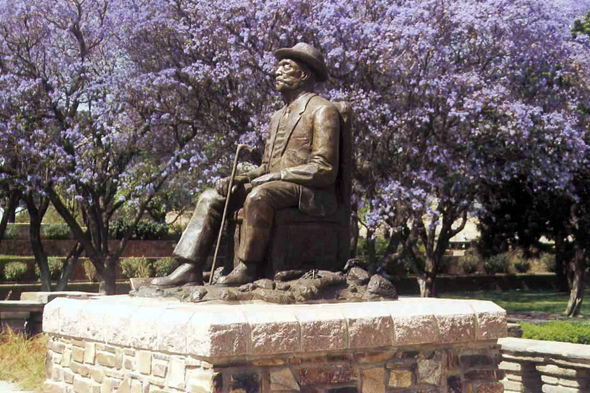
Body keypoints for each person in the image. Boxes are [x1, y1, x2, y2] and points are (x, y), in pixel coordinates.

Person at [152, 42, 341, 287]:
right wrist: (240, 179)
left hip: (309, 192)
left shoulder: (323, 110)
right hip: (276, 186)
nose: (276, 72)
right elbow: (266, 167)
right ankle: (190, 267)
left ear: (304, 74)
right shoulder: (277, 116)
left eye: (285, 66)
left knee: (259, 196)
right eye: (278, 67)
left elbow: (324, 168)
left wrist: (276, 177)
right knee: (211, 197)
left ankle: (248, 267)